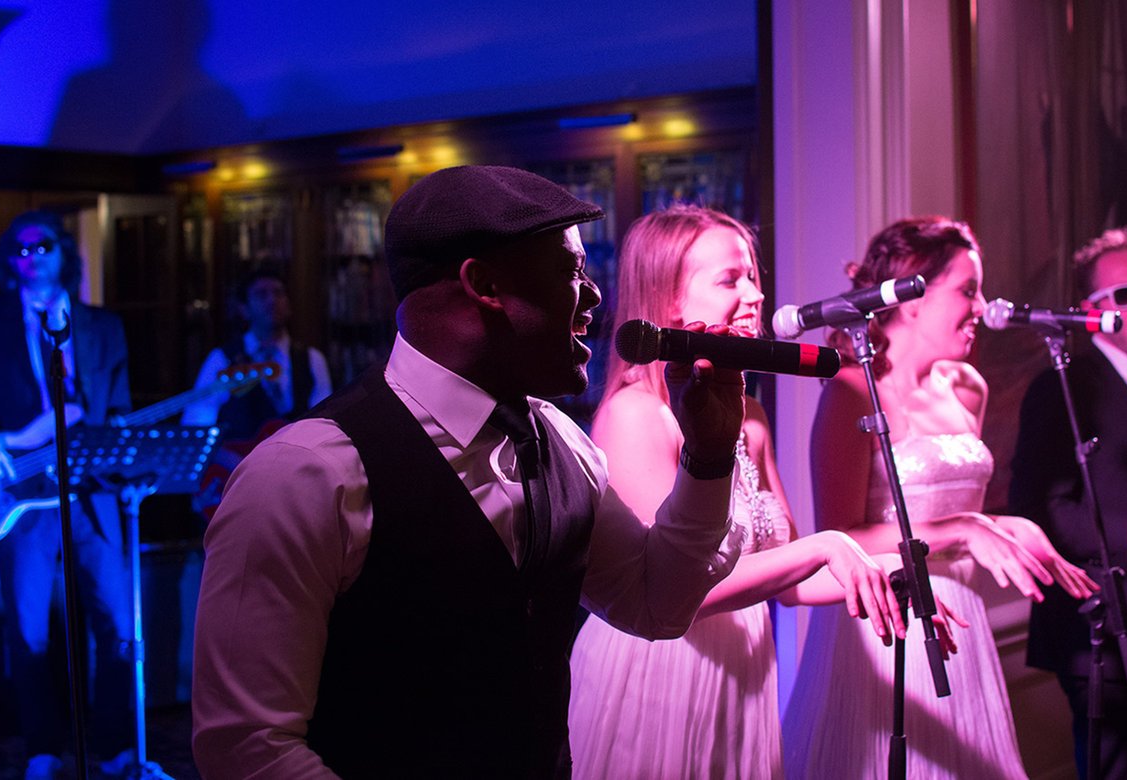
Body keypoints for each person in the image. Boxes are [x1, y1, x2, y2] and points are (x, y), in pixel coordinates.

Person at [191, 165, 750, 778]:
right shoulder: (305, 473)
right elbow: (246, 747)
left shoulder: (561, 441)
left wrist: (708, 455)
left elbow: (656, 603)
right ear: (484, 284)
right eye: (571, 271)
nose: (594, 296)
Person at [566, 205, 915, 778]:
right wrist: (826, 545)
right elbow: (678, 593)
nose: (755, 295)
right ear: (667, 299)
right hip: (660, 676)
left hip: (744, 679)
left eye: (753, 276)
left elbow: (793, 583)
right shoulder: (636, 414)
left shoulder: (749, 416)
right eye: (730, 280)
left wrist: (897, 574)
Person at [782, 216, 1097, 779]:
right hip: (887, 626)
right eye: (968, 290)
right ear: (913, 298)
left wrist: (1009, 527)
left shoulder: (966, 387)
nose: (981, 307)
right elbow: (839, 537)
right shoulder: (853, 390)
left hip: (962, 619)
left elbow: (952, 508)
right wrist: (964, 529)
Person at [0, 211, 138, 778]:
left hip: (92, 492)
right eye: (21, 249)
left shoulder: (102, 327)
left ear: (64, 253)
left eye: (43, 245)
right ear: (9, 261)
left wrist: (123, 456)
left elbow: (117, 406)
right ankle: (42, 750)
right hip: (22, 497)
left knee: (118, 624)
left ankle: (114, 746)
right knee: (28, 632)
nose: (33, 256)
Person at [1010, 227, 1127, 779]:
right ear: (1089, 311)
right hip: (1108, 634)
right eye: (1125, 295)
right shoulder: (1061, 388)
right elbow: (1040, 512)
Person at [181, 265, 332, 440]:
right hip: (239, 456)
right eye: (261, 294)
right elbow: (196, 422)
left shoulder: (312, 358)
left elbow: (324, 423)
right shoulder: (222, 359)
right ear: (243, 308)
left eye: (278, 293)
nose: (272, 301)